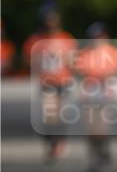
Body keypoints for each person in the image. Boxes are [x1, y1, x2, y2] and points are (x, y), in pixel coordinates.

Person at [22, 8, 78, 162]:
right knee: (49, 114)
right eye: (48, 20)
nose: (50, 24)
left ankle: (60, 141)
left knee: (60, 114)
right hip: (46, 82)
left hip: (63, 81)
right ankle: (51, 142)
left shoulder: (67, 39)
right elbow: (27, 60)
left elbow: (74, 61)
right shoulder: (36, 40)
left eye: (53, 20)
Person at [73, 23, 117, 172]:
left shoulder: (111, 52)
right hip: (89, 92)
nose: (98, 40)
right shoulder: (84, 53)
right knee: (90, 128)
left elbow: (112, 71)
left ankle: (103, 150)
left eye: (100, 36)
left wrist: (96, 74)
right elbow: (79, 71)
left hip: (104, 92)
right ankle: (93, 158)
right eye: (95, 37)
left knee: (102, 127)